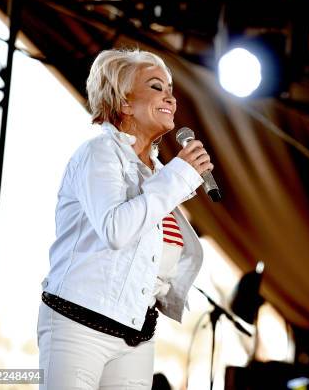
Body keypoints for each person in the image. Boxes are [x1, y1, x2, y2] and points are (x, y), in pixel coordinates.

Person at [37, 48, 214, 389]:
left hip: (136, 335)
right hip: (78, 328)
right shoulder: (99, 153)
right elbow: (116, 230)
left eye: (171, 89)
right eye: (156, 87)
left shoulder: (160, 176)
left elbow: (148, 254)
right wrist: (180, 175)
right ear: (124, 103)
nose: (171, 98)